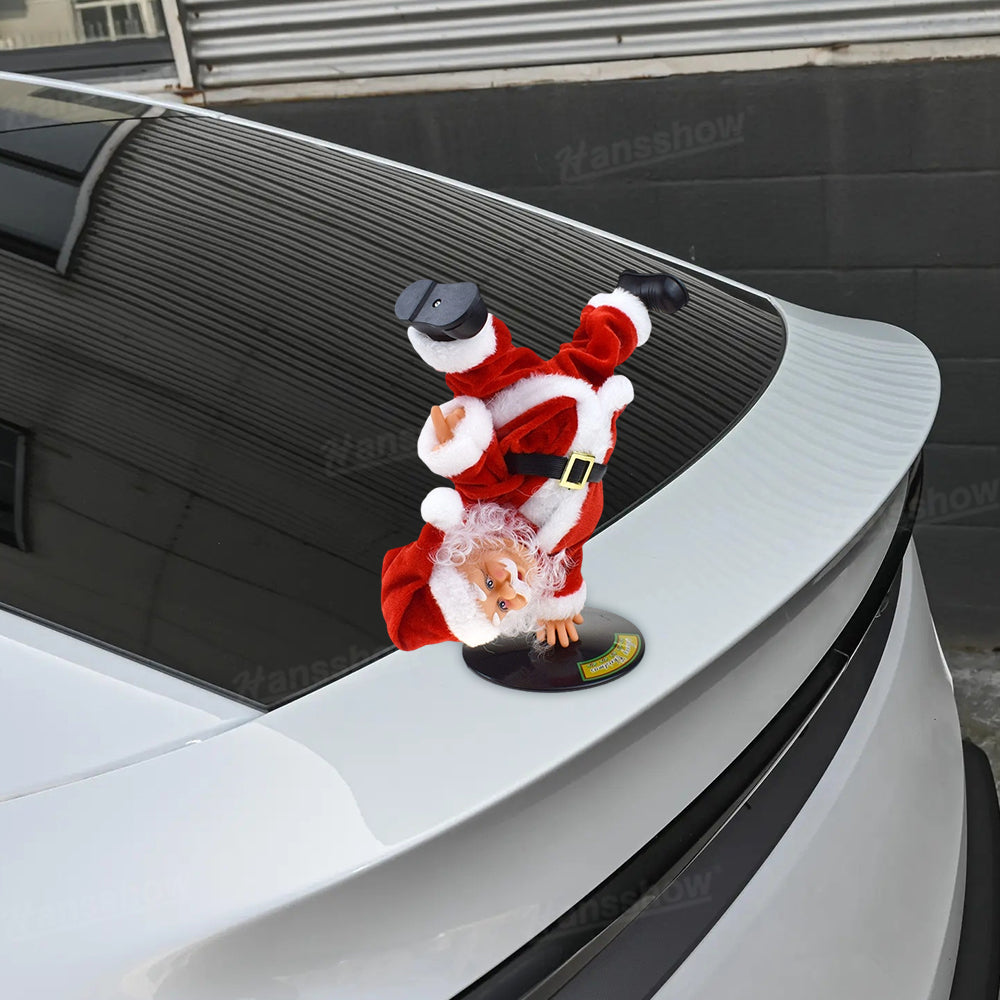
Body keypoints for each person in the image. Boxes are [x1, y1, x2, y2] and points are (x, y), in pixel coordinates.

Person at [380, 270, 688, 651]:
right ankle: (630, 297)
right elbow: (570, 556)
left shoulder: (487, 507)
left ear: (464, 550)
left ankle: (458, 332)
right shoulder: (548, 552)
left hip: (530, 422)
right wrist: (560, 604)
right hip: (584, 433)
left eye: (490, 583)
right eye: (504, 605)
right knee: (594, 357)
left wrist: (453, 444)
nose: (511, 586)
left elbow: (473, 471)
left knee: (489, 375)